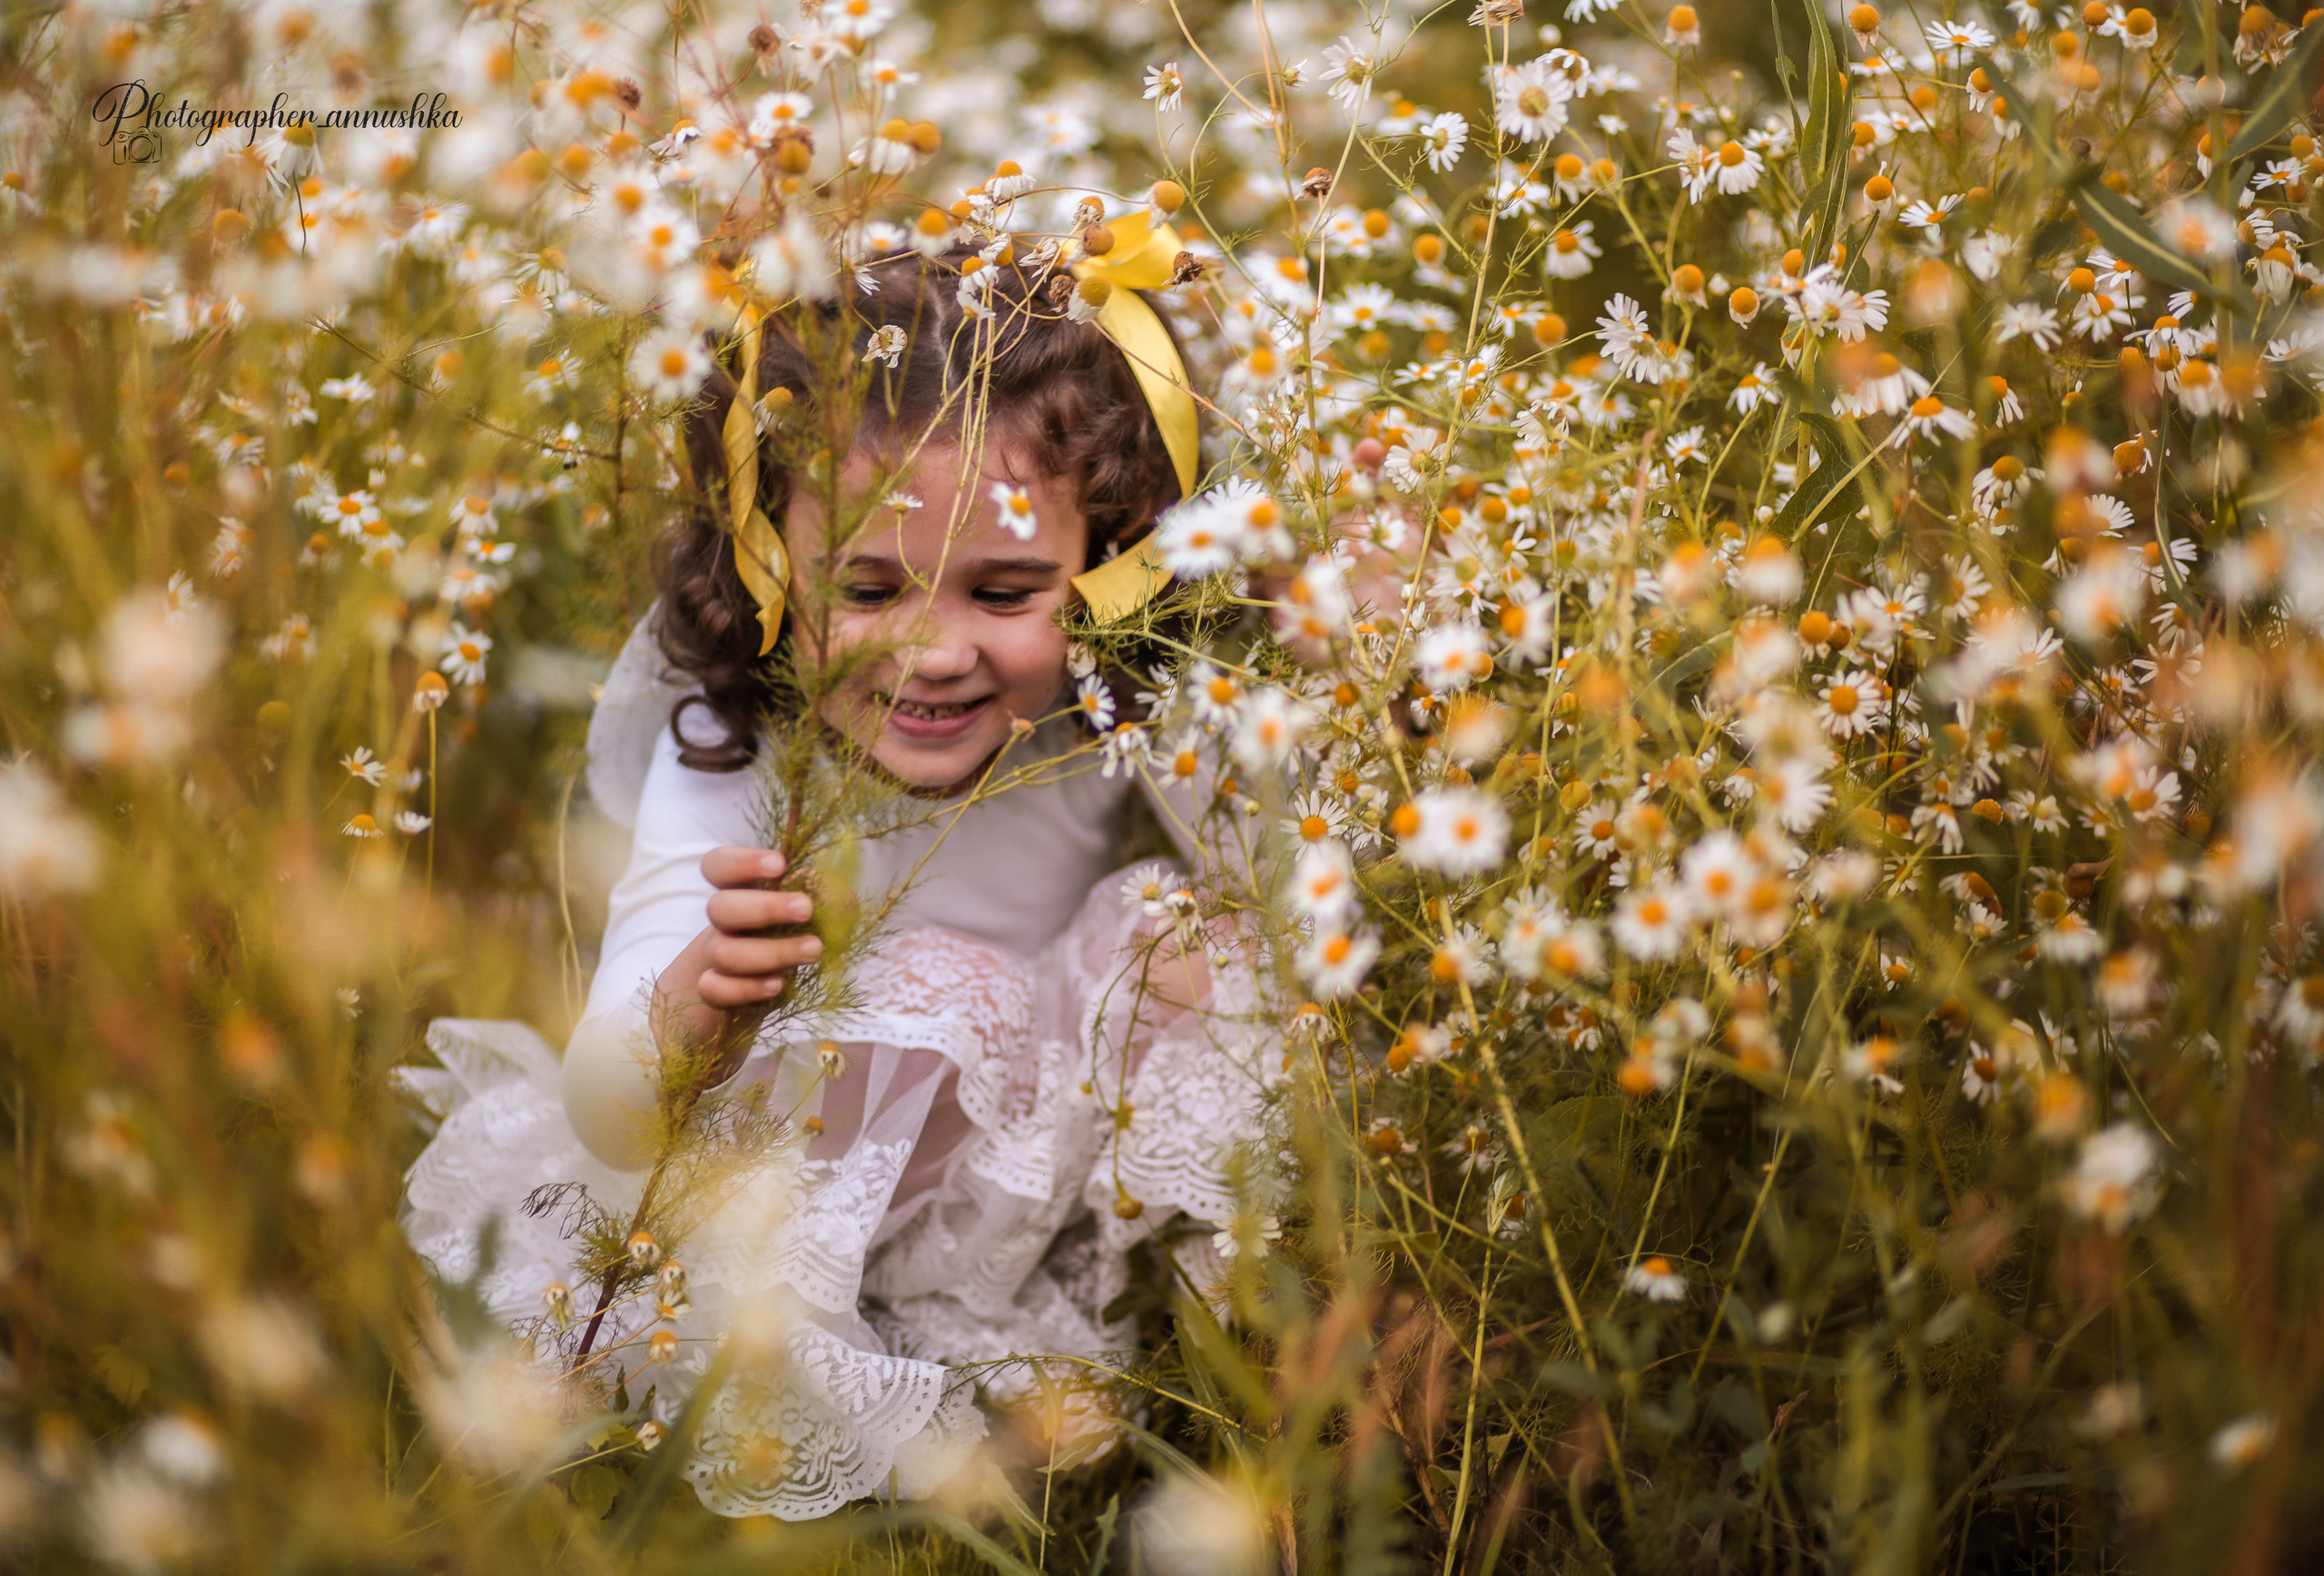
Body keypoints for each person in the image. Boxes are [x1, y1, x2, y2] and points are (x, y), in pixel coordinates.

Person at [399, 232, 1279, 1520]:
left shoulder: (1106, 718)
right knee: (927, 992)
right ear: (768, 569)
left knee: (1202, 940)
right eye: (866, 587)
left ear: (1111, 569)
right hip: (756, 1207)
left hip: (998, 1187)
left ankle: (1223, 1322)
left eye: (1005, 593)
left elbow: (1292, 888)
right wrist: (693, 1010)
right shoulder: (738, 758)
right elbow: (607, 1110)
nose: (930, 653)